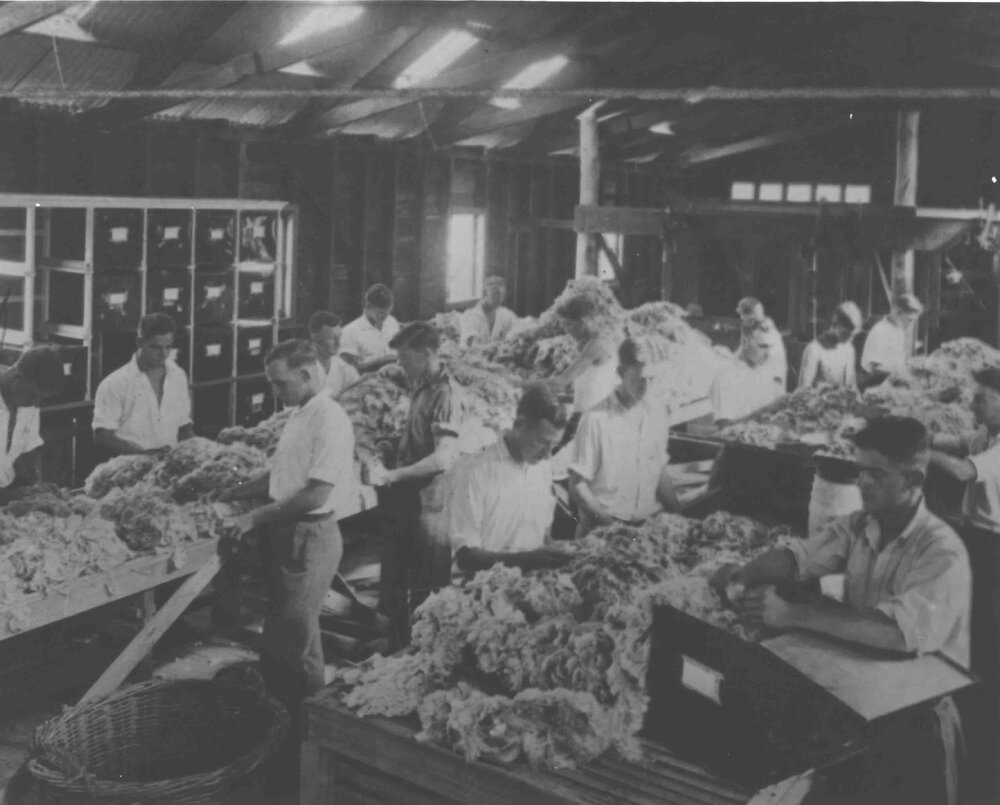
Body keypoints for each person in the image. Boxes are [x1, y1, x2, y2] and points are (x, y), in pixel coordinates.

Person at [712, 416, 970, 805]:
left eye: (877, 474)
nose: (862, 483)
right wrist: (743, 577)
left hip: (919, 726)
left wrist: (790, 614)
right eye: (861, 471)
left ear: (914, 481)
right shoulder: (859, 527)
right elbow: (797, 557)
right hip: (865, 706)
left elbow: (898, 635)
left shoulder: (941, 552)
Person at [222, 339, 357, 792]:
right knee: (303, 646)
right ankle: (307, 741)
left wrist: (253, 517)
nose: (275, 390)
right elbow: (281, 477)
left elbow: (316, 493)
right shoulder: (301, 412)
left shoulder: (331, 420)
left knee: (285, 649)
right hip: (289, 534)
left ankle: (288, 756)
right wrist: (235, 488)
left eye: (280, 382)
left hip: (309, 536)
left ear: (307, 372)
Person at [366, 321, 459, 650]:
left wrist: (392, 476)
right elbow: (414, 440)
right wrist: (387, 449)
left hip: (429, 507)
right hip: (407, 501)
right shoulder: (421, 386)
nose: (400, 364)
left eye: (405, 357)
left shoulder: (445, 393)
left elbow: (443, 458)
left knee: (426, 590)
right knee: (394, 581)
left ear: (427, 353)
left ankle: (422, 655)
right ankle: (396, 648)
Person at [448, 383, 571, 576]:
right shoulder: (474, 472)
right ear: (519, 425)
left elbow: (544, 536)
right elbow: (466, 557)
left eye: (553, 446)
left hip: (531, 585)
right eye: (542, 442)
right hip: (483, 590)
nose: (547, 455)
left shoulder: (542, 469)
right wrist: (530, 560)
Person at [567, 337, 681, 538]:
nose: (647, 388)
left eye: (652, 379)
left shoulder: (656, 413)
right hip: (601, 530)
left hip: (641, 528)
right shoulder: (595, 419)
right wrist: (614, 528)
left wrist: (681, 518)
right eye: (641, 380)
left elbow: (658, 470)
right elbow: (577, 486)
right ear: (621, 373)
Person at [92, 313, 193, 455]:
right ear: (139, 342)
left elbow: (183, 425)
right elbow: (102, 437)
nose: (163, 354)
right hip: (129, 468)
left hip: (168, 466)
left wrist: (197, 449)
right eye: (156, 347)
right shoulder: (115, 383)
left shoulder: (178, 375)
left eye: (168, 347)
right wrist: (144, 454)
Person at [929, 367, 1000, 533]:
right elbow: (955, 441)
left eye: (978, 400)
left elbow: (963, 470)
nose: (971, 406)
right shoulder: (985, 433)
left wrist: (916, 454)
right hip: (974, 527)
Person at [0, 347, 65, 493]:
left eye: (41, 399)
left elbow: (28, 451)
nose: (36, 403)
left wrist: (37, 486)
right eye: (33, 394)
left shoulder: (29, 405)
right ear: (16, 377)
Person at [548, 294, 621, 415]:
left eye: (568, 324)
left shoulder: (597, 344)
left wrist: (517, 384)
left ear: (582, 321)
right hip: (591, 412)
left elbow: (561, 381)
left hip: (595, 417)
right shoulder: (593, 341)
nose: (566, 330)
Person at [711, 321, 785, 426]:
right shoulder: (726, 375)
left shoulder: (765, 371)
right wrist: (764, 410)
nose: (767, 354)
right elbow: (724, 428)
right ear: (745, 342)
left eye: (770, 347)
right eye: (762, 346)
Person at [860, 293, 924, 387]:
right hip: (876, 385)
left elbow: (897, 362)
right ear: (898, 312)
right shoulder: (880, 330)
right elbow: (876, 368)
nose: (910, 325)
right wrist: (904, 372)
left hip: (893, 384)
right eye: (909, 320)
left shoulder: (899, 331)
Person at [798, 301, 863, 389]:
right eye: (846, 334)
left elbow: (852, 386)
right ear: (835, 324)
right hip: (817, 401)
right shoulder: (814, 349)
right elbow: (803, 389)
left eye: (853, 336)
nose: (850, 339)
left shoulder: (849, 349)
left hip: (841, 401)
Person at [339, 283, 400, 374]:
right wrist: (380, 361)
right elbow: (348, 370)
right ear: (367, 307)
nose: (384, 316)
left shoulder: (392, 322)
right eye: (380, 312)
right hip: (368, 382)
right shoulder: (350, 332)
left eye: (388, 311)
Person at [736, 296, 787, 393]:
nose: (741, 318)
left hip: (770, 378)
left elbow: (757, 359)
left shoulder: (766, 332)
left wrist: (736, 363)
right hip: (757, 374)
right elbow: (744, 347)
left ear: (752, 316)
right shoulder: (748, 326)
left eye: (743, 315)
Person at [308, 310, 360, 398]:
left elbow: (358, 386)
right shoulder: (303, 367)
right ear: (315, 338)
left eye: (339, 336)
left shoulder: (343, 366)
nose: (338, 343)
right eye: (331, 338)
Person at [459, 275, 519, 346]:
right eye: (495, 294)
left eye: (502, 295)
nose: (499, 299)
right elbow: (474, 346)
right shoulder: (470, 316)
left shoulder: (507, 315)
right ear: (485, 293)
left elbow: (519, 331)